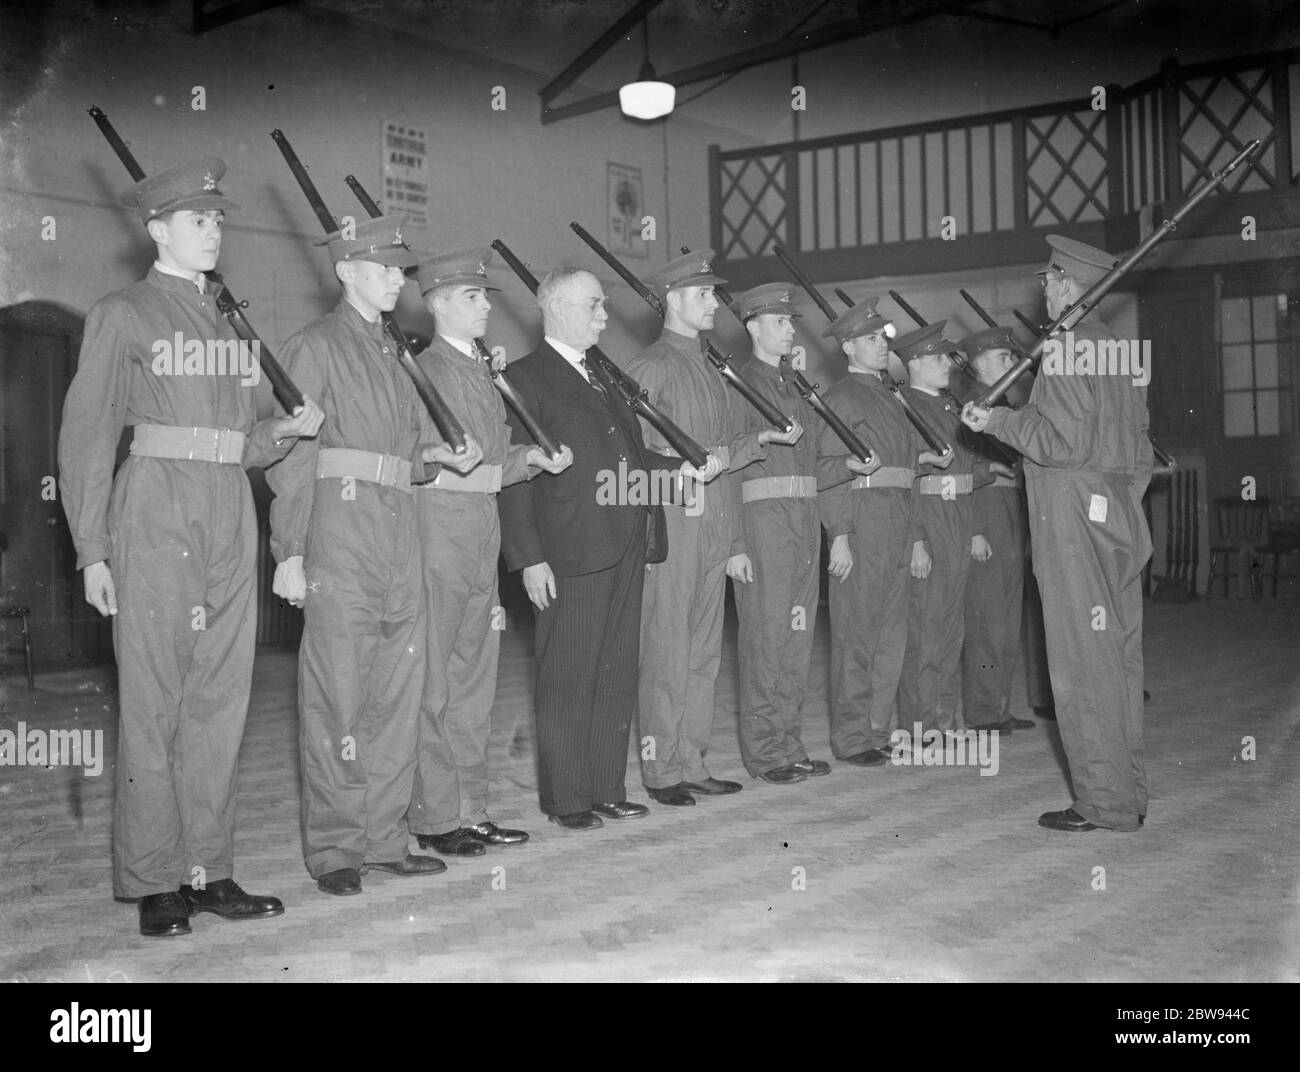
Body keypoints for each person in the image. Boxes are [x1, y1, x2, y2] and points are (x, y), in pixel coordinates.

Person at [58, 157, 325, 937]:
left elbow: (242, 445)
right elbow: (86, 437)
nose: (213, 230)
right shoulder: (122, 312)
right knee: (154, 699)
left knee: (220, 699)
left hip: (226, 510)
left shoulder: (232, 325)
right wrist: (92, 549)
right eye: (197, 219)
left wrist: (285, 431)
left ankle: (208, 870)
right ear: (157, 229)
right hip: (156, 509)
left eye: (218, 219)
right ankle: (153, 880)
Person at [268, 215, 483, 894]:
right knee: (339, 695)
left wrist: (437, 456)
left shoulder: (399, 353)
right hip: (341, 538)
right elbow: (296, 461)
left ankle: (386, 837)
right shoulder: (314, 346)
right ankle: (336, 849)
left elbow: (406, 456)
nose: (397, 280)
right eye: (383, 268)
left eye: (401, 270)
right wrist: (290, 550)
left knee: (397, 692)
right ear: (345, 272)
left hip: (401, 540)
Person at [962, 234, 1152, 833]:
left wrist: (996, 420)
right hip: (1118, 512)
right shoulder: (1115, 350)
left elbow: (1061, 442)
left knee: (1079, 660)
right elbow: (1139, 451)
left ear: (1070, 283)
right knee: (1119, 659)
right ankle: (1128, 794)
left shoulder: (1066, 347)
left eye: (1048, 277)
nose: (1042, 287)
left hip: (1071, 518)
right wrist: (1111, 501)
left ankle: (1102, 803)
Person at [498, 268, 689, 830]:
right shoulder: (524, 378)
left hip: (625, 541)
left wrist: (681, 471)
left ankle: (607, 786)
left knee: (615, 671)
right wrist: (528, 557)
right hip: (568, 550)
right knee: (568, 673)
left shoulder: (603, 378)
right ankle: (567, 799)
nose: (604, 316)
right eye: (594, 305)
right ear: (555, 308)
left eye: (604, 305)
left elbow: (630, 463)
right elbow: (514, 477)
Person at [405, 248, 571, 858]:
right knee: (437, 679)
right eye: (471, 297)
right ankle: (433, 813)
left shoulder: (481, 373)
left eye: (485, 297)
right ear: (438, 303)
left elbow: (495, 461)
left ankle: (469, 809)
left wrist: (531, 459)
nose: (484, 307)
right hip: (439, 527)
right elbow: (415, 454)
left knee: (475, 680)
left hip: (479, 527)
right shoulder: (421, 370)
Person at [625, 250, 757, 808]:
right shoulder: (650, 368)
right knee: (666, 649)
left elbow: (721, 459)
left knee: (704, 652)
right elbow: (628, 464)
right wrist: (676, 480)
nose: (712, 303)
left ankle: (692, 759)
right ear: (672, 300)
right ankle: (661, 770)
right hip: (674, 528)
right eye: (702, 294)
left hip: (711, 529)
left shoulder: (711, 368)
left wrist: (730, 543)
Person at [816, 297, 948, 766]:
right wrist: (841, 535)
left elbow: (907, 474)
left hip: (897, 524)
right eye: (870, 339)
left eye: (882, 338)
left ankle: (876, 728)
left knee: (891, 638)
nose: (880, 345)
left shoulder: (892, 399)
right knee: (857, 634)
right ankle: (852, 736)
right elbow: (829, 472)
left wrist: (915, 539)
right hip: (863, 522)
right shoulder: (841, 399)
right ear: (848, 347)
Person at [724, 283, 829, 785]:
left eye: (791, 321)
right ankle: (766, 753)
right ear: (753, 327)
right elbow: (725, 466)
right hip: (764, 523)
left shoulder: (796, 385)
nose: (790, 329)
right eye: (780, 321)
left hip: (804, 520)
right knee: (767, 638)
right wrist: (735, 545)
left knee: (797, 637)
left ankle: (789, 742)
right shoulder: (739, 383)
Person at [895, 322, 990, 741]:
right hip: (929, 523)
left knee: (952, 631)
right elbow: (908, 482)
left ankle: (946, 719)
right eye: (937, 358)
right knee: (926, 630)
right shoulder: (906, 407)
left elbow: (967, 473)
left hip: (957, 521)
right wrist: (915, 540)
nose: (947, 365)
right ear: (915, 363)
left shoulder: (949, 407)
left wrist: (973, 530)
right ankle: (920, 725)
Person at [955, 326, 1037, 735]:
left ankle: (999, 706)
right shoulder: (971, 408)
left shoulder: (1004, 406)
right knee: (986, 618)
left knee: (1006, 617)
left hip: (1009, 508)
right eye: (1004, 358)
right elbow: (965, 472)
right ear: (981, 362)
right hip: (985, 509)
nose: (1011, 364)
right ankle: (984, 711)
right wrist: (973, 529)